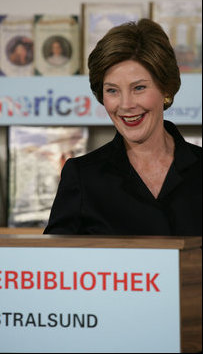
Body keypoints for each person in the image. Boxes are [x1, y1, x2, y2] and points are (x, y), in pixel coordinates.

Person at [43, 18, 202, 236]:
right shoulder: (82, 177)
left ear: (165, 89)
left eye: (138, 88)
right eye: (112, 91)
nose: (126, 105)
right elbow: (54, 264)